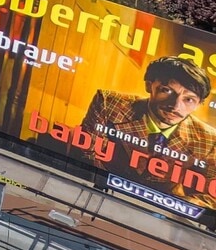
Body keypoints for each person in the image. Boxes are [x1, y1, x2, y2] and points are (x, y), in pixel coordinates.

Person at [83, 57, 216, 167]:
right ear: (148, 85)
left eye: (189, 99)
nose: (175, 106)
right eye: (166, 90)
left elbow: (209, 195)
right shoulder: (109, 103)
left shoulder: (210, 139)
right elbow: (86, 155)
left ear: (199, 104)